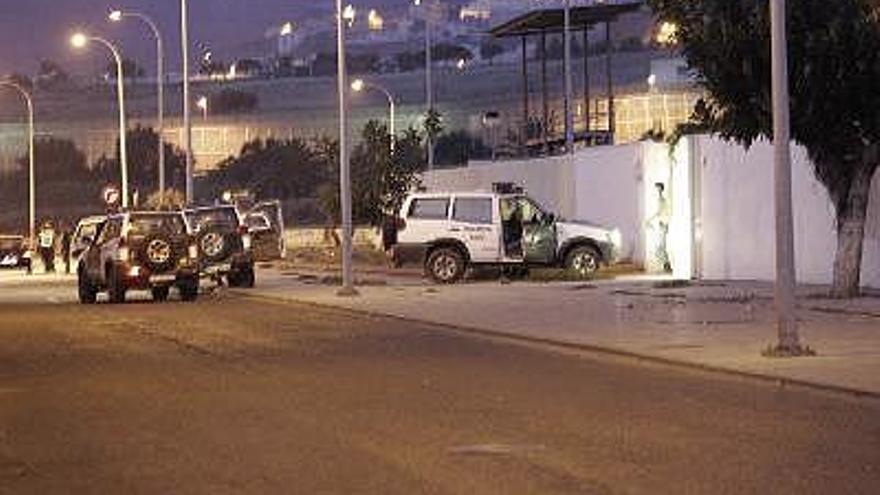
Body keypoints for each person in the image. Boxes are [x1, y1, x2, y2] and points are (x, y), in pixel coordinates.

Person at [648, 182, 672, 272]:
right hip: (662, 224)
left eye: (657, 188)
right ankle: (666, 265)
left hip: (663, 224)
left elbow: (659, 212)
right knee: (660, 247)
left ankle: (666, 265)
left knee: (660, 247)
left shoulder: (661, 200)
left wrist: (649, 219)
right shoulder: (661, 199)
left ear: (660, 189)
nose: (655, 190)